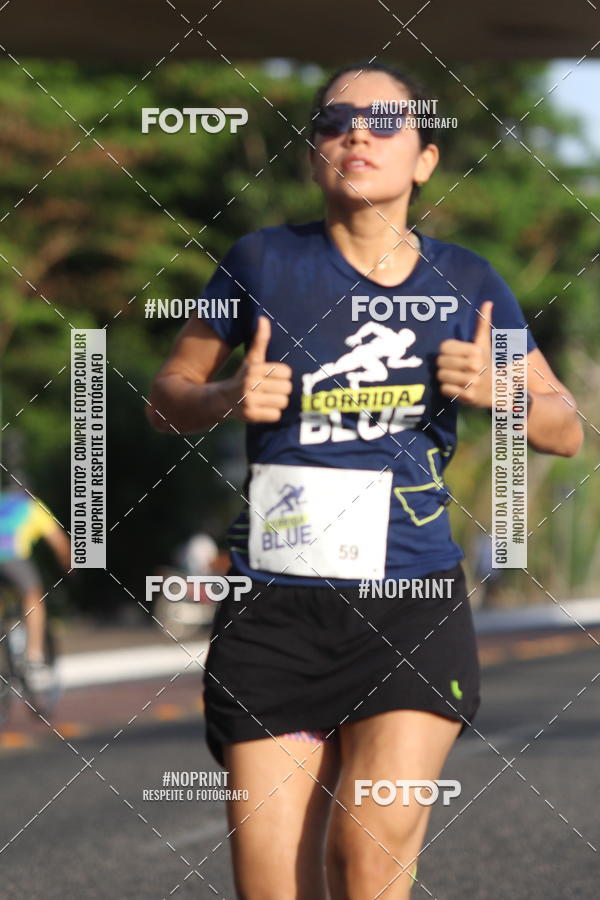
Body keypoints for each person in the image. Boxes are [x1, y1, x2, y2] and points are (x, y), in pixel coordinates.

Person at [147, 61, 583, 900]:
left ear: (424, 158)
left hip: (409, 603)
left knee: (365, 856)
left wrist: (502, 394)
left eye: (385, 121)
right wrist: (225, 394)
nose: (357, 134)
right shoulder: (260, 262)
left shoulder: (469, 283)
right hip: (274, 605)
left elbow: (564, 424)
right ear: (315, 154)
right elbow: (167, 398)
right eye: (336, 121)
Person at [0, 488, 71, 689]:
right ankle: (34, 657)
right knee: (33, 594)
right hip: (12, 557)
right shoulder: (32, 506)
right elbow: (59, 542)